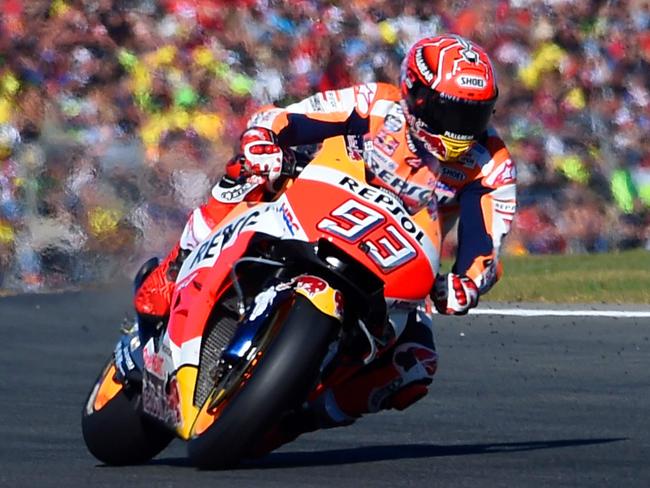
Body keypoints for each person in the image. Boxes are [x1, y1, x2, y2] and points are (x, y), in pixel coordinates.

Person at [133, 34, 516, 447]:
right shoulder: (380, 104)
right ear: (417, 96)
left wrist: (465, 284)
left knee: (416, 365)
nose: (460, 130)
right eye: (450, 112)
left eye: (474, 116)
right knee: (249, 170)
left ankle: (297, 416)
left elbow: (485, 247)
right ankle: (176, 266)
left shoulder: (491, 165)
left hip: (390, 260)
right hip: (321, 200)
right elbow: (289, 118)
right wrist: (266, 140)